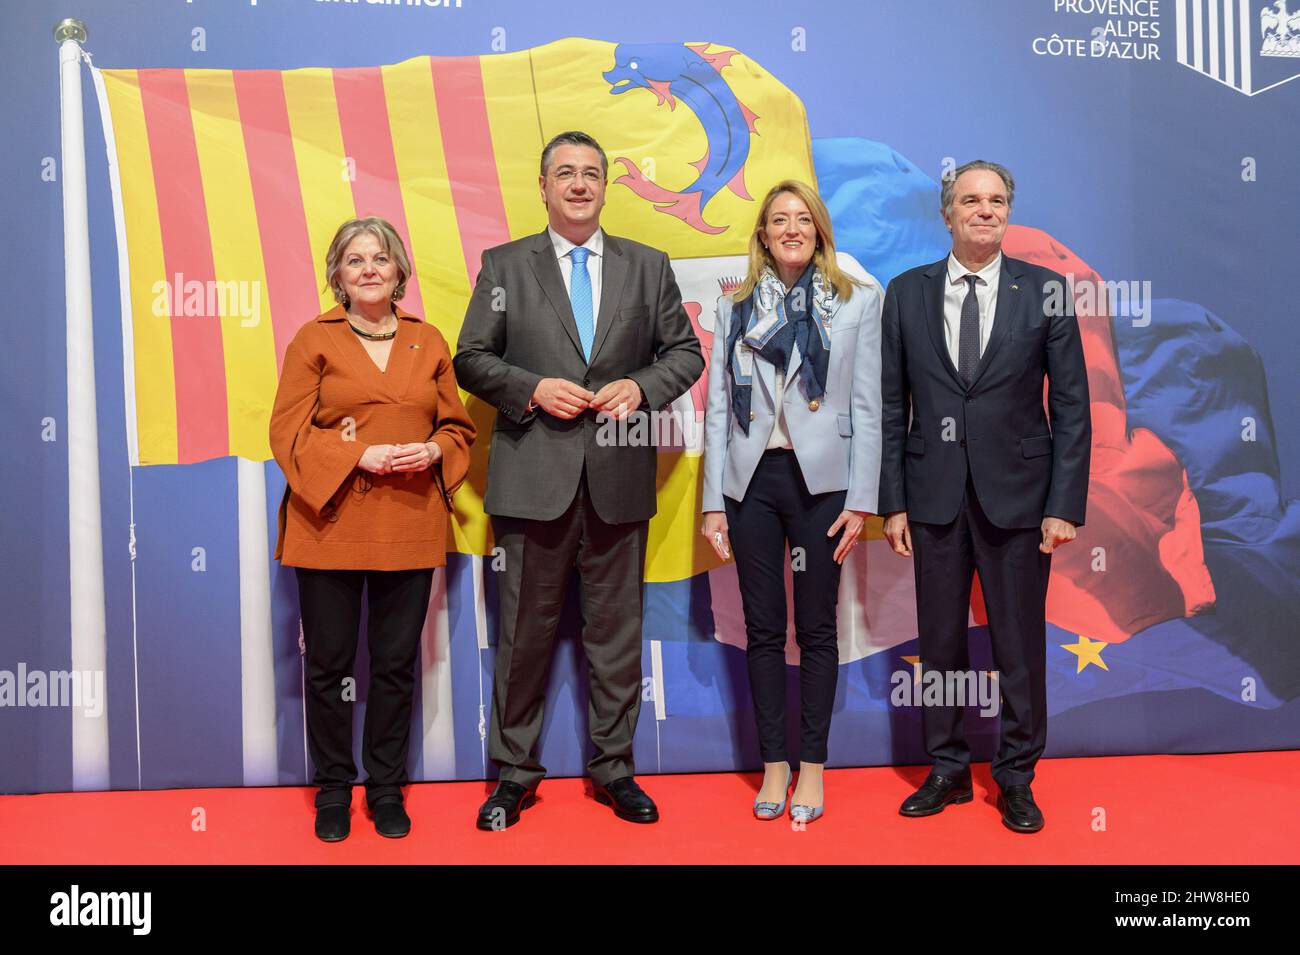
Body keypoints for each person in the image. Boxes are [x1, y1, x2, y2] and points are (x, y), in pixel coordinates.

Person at [453, 131, 704, 829]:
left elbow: (685, 353)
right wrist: (531, 387)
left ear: (605, 186)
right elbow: (470, 357)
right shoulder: (505, 265)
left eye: (591, 173)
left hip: (619, 482)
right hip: (532, 482)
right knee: (523, 637)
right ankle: (513, 775)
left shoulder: (647, 266)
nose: (578, 183)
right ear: (542, 186)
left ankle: (615, 770)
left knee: (617, 635)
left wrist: (639, 384)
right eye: (564, 173)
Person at [879, 161, 1090, 833]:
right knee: (939, 642)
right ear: (947, 213)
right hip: (933, 495)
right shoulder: (906, 293)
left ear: (1009, 212)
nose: (984, 210)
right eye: (970, 200)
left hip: (1022, 501)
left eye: (996, 200)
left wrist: (1064, 503)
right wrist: (893, 501)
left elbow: (1075, 410)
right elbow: (889, 405)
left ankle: (1018, 775)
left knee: (1019, 646)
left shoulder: (1048, 291)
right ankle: (946, 767)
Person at [270, 216, 476, 843]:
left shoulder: (428, 339)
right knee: (328, 663)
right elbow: (288, 433)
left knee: (393, 664)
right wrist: (356, 455)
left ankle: (385, 788)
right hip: (329, 523)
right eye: (354, 259)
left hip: (409, 521)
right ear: (337, 273)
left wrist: (437, 452)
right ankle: (333, 788)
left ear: (398, 272)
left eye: (380, 258)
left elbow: (458, 427)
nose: (368, 269)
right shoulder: (314, 339)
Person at [700, 180, 882, 824]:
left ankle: (812, 768)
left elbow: (867, 404)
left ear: (819, 228)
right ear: (763, 234)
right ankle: (773, 763)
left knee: (818, 628)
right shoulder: (736, 307)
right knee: (763, 629)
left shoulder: (855, 301)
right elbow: (719, 408)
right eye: (779, 219)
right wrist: (713, 502)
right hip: (752, 483)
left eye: (803, 218)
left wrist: (863, 499)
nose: (792, 228)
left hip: (823, 485)